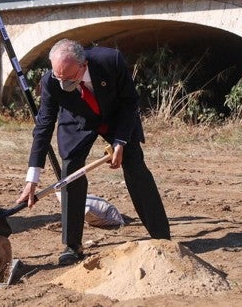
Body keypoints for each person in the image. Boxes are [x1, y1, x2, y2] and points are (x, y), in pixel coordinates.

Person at [17, 38, 171, 265]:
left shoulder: (111, 61)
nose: (62, 83)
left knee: (136, 167)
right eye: (58, 77)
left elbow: (130, 102)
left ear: (83, 65)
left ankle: (162, 238)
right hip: (77, 121)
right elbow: (43, 128)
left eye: (68, 78)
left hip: (116, 118)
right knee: (71, 172)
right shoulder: (52, 81)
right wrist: (33, 178)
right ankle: (72, 245)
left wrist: (120, 141)